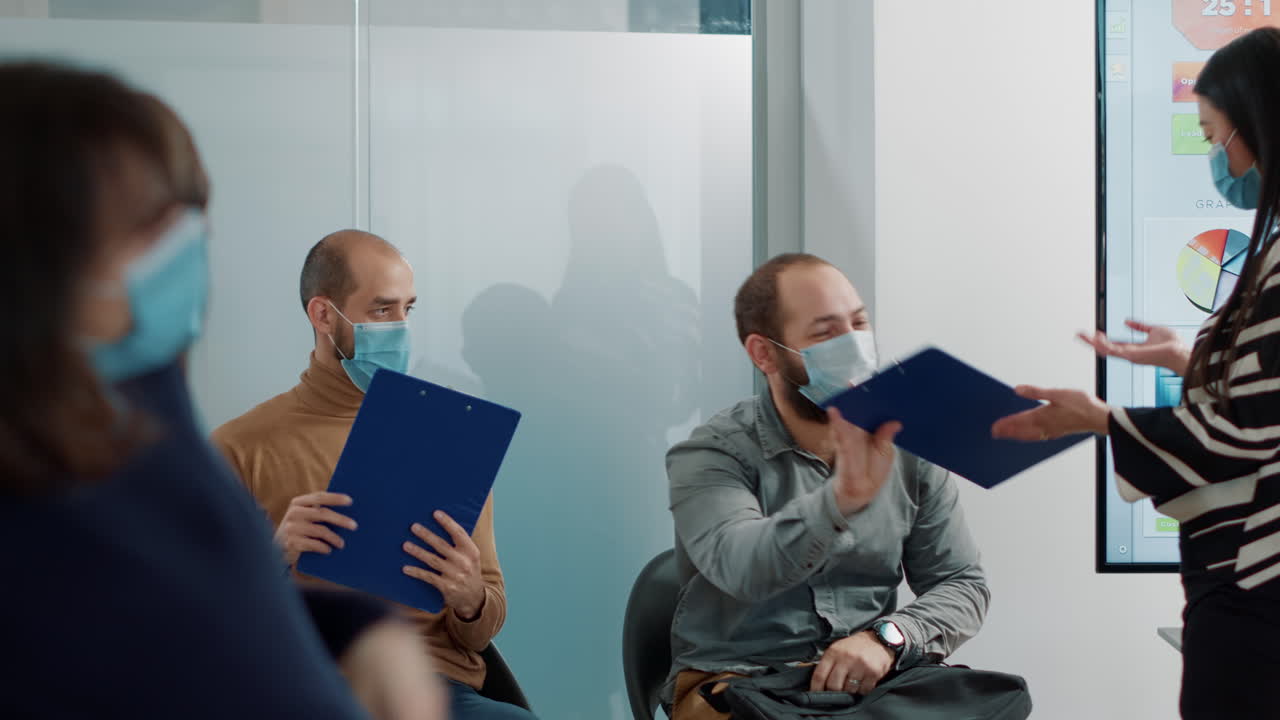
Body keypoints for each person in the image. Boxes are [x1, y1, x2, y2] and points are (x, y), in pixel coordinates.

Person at [0, 61, 443, 719]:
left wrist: (361, 631)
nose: (190, 250)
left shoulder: (138, 411)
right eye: (146, 230)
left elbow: (210, 608)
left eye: (187, 221)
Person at [992, 27, 1280, 720]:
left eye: (1213, 136)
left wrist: (1099, 418)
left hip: (1255, 591)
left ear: (1257, 126)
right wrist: (1190, 360)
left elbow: (1246, 435)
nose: (1215, 157)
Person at [212, 230, 535, 720]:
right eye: (382, 310)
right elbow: (203, 621)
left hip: (435, 686)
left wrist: (469, 597)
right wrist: (273, 557)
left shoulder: (450, 435)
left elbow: (482, 623)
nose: (400, 327)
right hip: (304, 686)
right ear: (323, 315)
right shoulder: (238, 448)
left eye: (408, 309)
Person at [664, 253, 991, 720]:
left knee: (995, 699)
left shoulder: (906, 446)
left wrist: (889, 638)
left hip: (864, 684)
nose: (853, 345)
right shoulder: (712, 454)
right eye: (825, 333)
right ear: (764, 353)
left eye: (859, 324)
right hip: (741, 681)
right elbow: (742, 569)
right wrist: (838, 503)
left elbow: (961, 583)